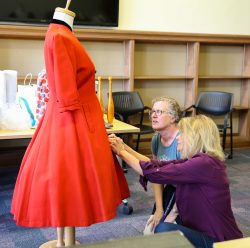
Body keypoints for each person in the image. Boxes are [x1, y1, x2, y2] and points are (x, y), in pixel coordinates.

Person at [11, 1, 129, 247]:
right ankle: (65, 242)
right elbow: (65, 93)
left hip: (69, 116)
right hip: (72, 119)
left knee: (66, 179)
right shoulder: (61, 36)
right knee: (70, 178)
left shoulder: (57, 34)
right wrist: (81, 131)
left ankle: (66, 240)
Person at [109, 115, 243, 248]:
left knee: (164, 231)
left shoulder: (203, 163)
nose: (178, 137)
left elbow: (155, 173)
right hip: (205, 233)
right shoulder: (200, 161)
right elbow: (157, 165)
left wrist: (121, 152)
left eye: (182, 134)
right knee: (163, 231)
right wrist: (125, 148)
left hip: (221, 242)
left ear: (195, 138)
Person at [144, 96, 182, 234]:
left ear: (173, 117)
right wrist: (159, 209)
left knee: (168, 233)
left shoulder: (183, 141)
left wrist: (172, 213)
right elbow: (156, 175)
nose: (153, 115)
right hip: (172, 188)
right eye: (152, 112)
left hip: (190, 192)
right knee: (149, 232)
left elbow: (190, 183)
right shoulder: (156, 139)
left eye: (159, 112)